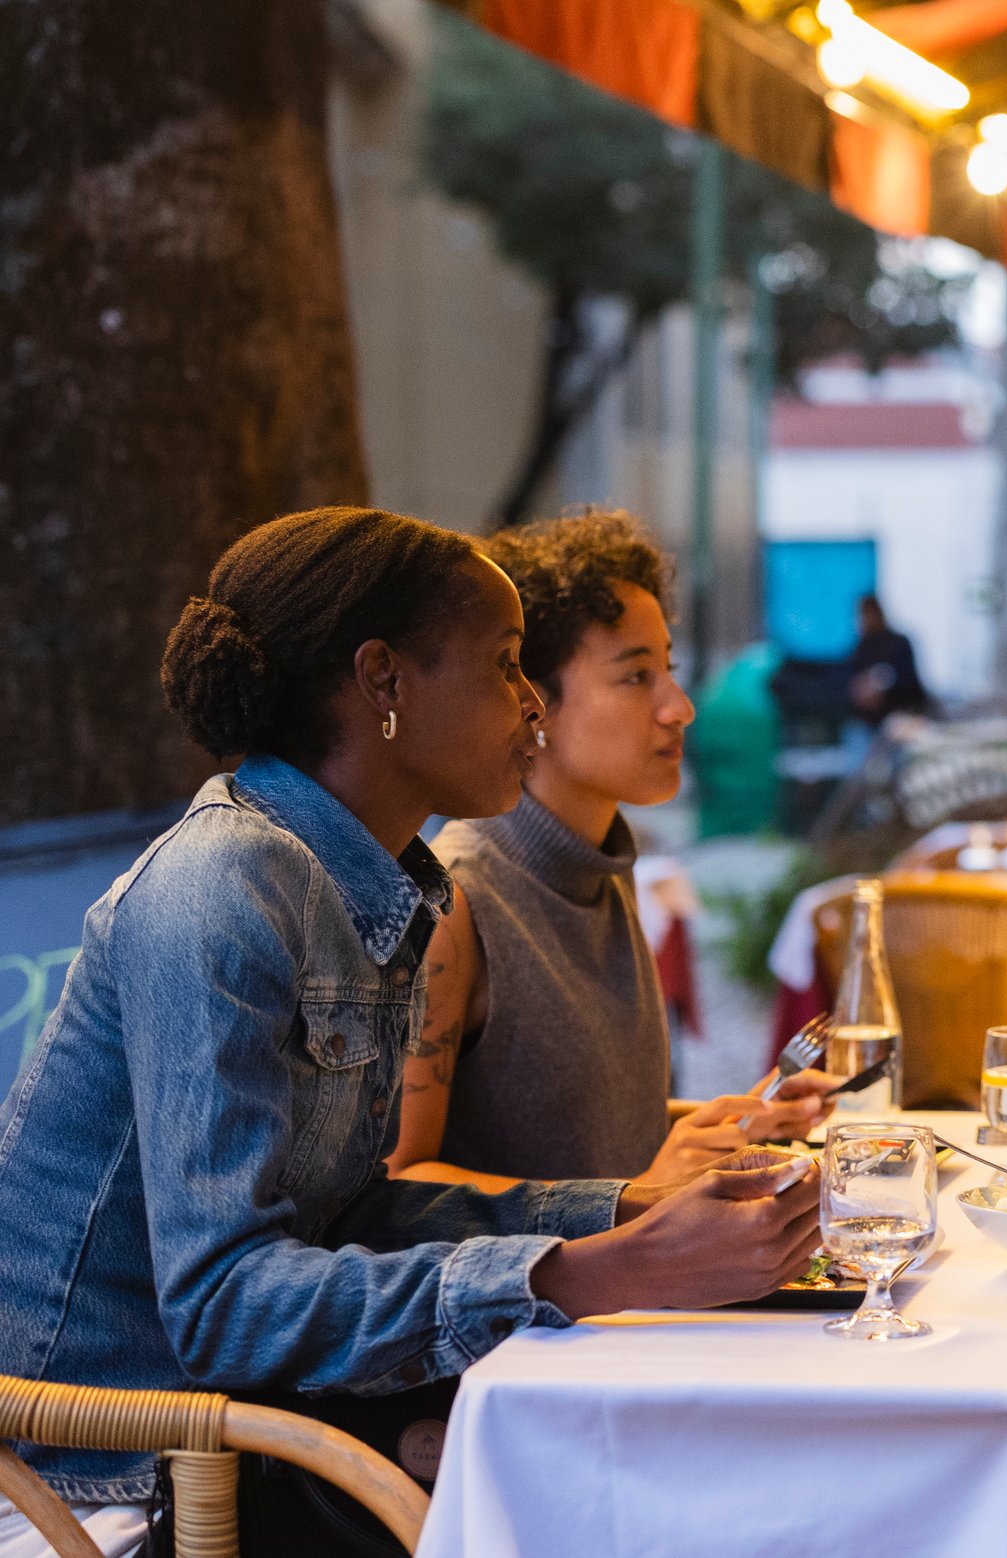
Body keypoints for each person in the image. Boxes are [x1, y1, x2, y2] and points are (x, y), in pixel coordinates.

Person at [0, 509, 822, 1557]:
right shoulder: (220, 888)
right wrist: (599, 1266)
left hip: (245, 1421)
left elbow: (355, 1208)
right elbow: (222, 1302)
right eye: (507, 663)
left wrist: (631, 1207)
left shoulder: (363, 887)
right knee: (641, 1475)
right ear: (383, 682)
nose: (531, 702)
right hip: (107, 1473)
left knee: (678, 1442)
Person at [387, 510, 833, 1191]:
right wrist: (634, 1199)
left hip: (635, 1283)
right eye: (636, 677)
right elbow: (402, 1179)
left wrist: (742, 1121)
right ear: (530, 700)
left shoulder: (604, 870)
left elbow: (592, 1137)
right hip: (540, 1298)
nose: (679, 706)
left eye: (669, 670)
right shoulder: (454, 901)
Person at [844, 594, 928, 726]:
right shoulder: (863, 646)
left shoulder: (899, 643)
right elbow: (852, 681)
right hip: (868, 719)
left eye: (869, 614)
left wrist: (882, 690)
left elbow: (910, 682)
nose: (865, 619)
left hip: (901, 714)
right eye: (862, 615)